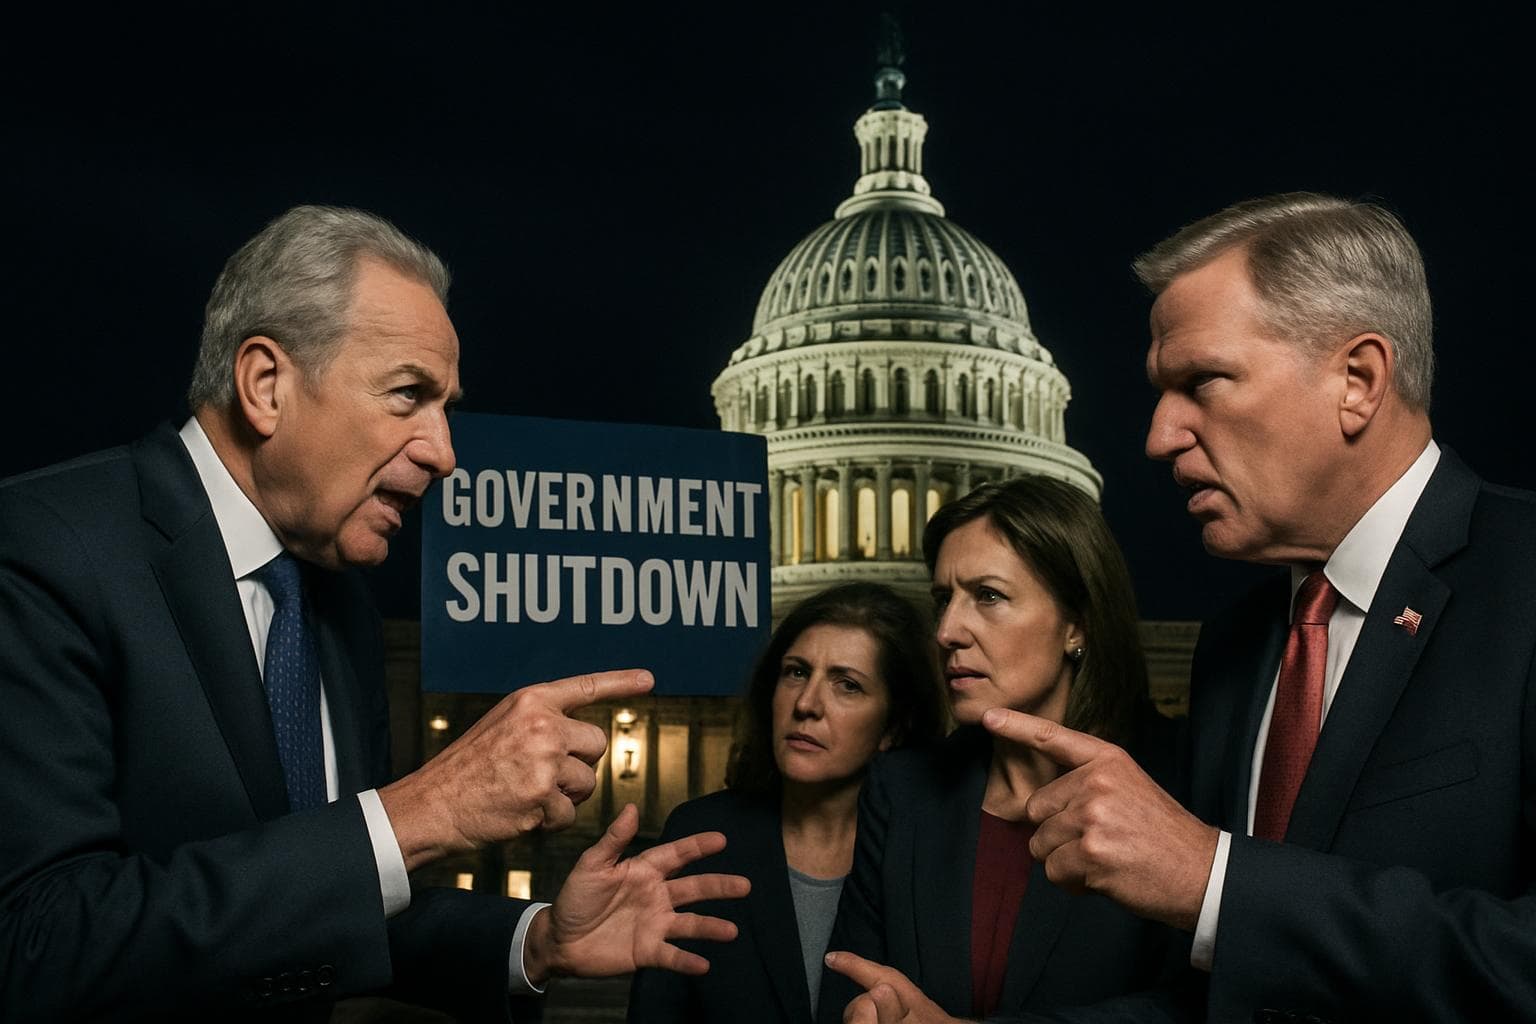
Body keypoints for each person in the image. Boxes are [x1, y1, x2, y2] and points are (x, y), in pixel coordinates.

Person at [0, 205, 748, 1022]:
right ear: (265, 385)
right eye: (407, 395)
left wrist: (536, 942)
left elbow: (329, 903)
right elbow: (37, 944)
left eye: (447, 405)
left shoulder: (338, 606)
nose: (445, 451)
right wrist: (426, 809)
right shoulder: (44, 550)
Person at [948, 193, 1536, 1024]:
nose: (1158, 436)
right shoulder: (1234, 650)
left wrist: (1216, 882)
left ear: (1357, 381)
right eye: (1161, 391)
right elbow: (1225, 993)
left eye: (1202, 382)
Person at [819, 477, 1182, 1024]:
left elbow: (1205, 1002)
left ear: (1076, 624)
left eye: (988, 596)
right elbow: (850, 985)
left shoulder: (1181, 779)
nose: (946, 631)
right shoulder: (901, 790)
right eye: (943, 598)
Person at [627, 582, 948, 1023]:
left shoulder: (930, 854)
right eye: (796, 672)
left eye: (847, 685)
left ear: (893, 727)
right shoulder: (701, 836)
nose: (806, 704)